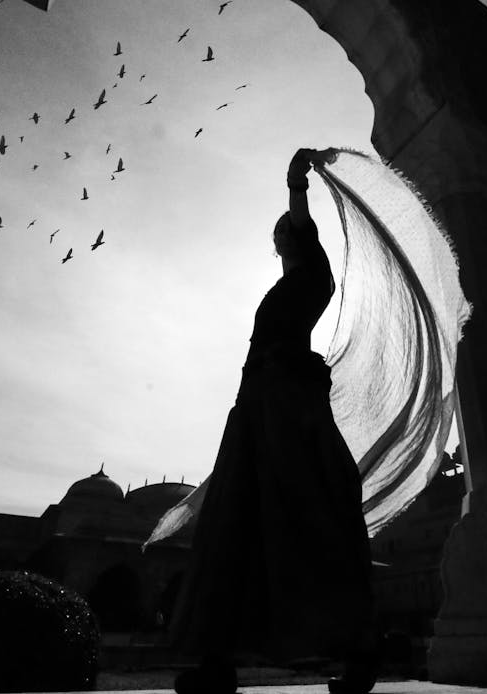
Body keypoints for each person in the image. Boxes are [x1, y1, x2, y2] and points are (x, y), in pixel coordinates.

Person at [171, 149, 377, 694]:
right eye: (280, 242)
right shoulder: (288, 286)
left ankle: (354, 651)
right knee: (240, 519)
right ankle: (219, 661)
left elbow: (303, 228)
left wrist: (296, 186)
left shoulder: (309, 281)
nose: (280, 247)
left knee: (296, 512)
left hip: (285, 403)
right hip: (259, 404)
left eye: (284, 241)